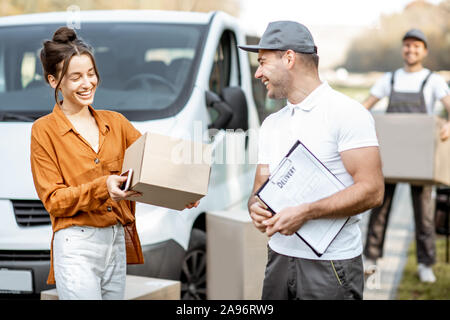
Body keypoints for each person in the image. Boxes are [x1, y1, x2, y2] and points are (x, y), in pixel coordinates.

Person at [30, 27, 199, 300]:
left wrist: (181, 191)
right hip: (76, 244)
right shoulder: (44, 131)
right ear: (54, 81)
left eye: (91, 73)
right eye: (76, 77)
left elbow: (154, 164)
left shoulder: (116, 123)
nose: (88, 83)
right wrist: (103, 187)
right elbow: (54, 200)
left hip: (116, 242)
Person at [239, 21, 384, 300]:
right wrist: (255, 207)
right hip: (279, 259)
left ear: (289, 58)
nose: (257, 73)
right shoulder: (271, 124)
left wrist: (306, 212)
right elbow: (259, 191)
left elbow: (373, 190)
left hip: (331, 266)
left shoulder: (347, 114)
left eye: (262, 62)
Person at [362, 28, 450, 283]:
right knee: (379, 208)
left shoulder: (432, 80)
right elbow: (365, 106)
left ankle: (426, 264)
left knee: (423, 213)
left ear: (424, 51)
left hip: (420, 158)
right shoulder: (389, 79)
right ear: (403, 49)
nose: (411, 50)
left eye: (416, 46)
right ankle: (372, 259)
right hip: (389, 157)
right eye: (407, 45)